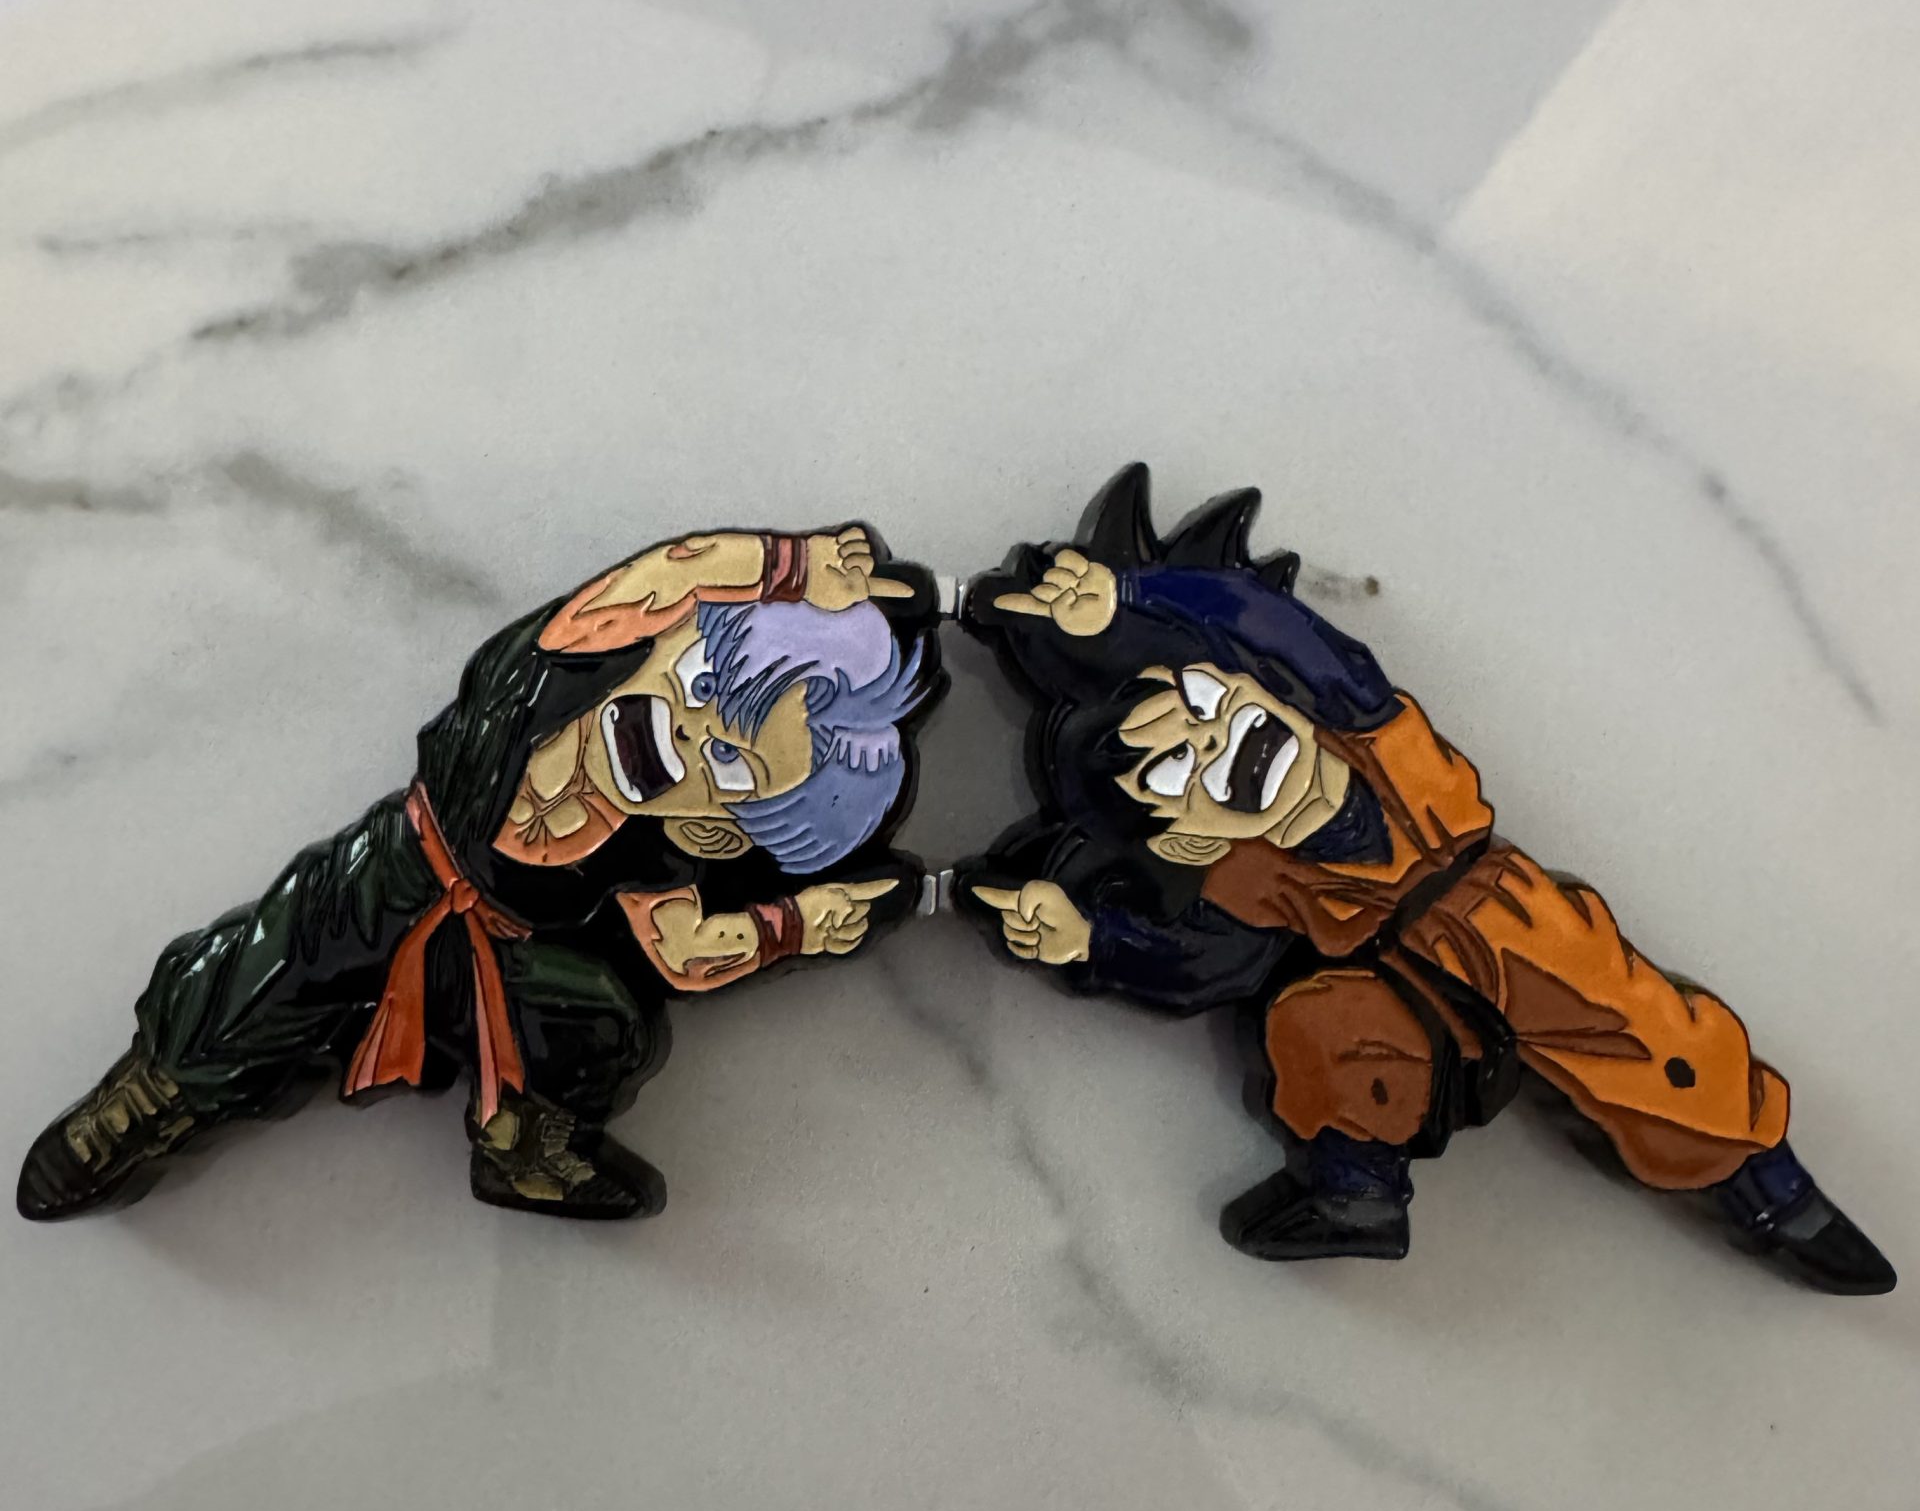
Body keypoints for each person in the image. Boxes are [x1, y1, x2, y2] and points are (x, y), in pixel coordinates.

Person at [959, 465, 1895, 1294]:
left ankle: (1769, 1184)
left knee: (1640, 1028)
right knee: (1318, 1023)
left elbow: (1280, 631)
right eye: (1177, 771)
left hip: (1507, 921)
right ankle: (1356, 1193)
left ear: (1254, 691)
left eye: (1205, 708)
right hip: (1393, 983)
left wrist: (1125, 605)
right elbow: (1199, 964)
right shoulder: (1246, 886)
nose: (1214, 744)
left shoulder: (1367, 731)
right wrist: (1090, 939)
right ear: (1190, 837)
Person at [19, 523, 940, 1223]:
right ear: (669, 640)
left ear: (719, 830)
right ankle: (153, 1092)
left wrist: (800, 924)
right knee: (274, 960)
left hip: (507, 957)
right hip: (394, 869)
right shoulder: (555, 669)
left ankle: (522, 1145)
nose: (692, 731)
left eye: (732, 766)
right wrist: (790, 565)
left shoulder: (660, 855)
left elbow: (683, 951)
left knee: (602, 1020)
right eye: (705, 683)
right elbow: (670, 572)